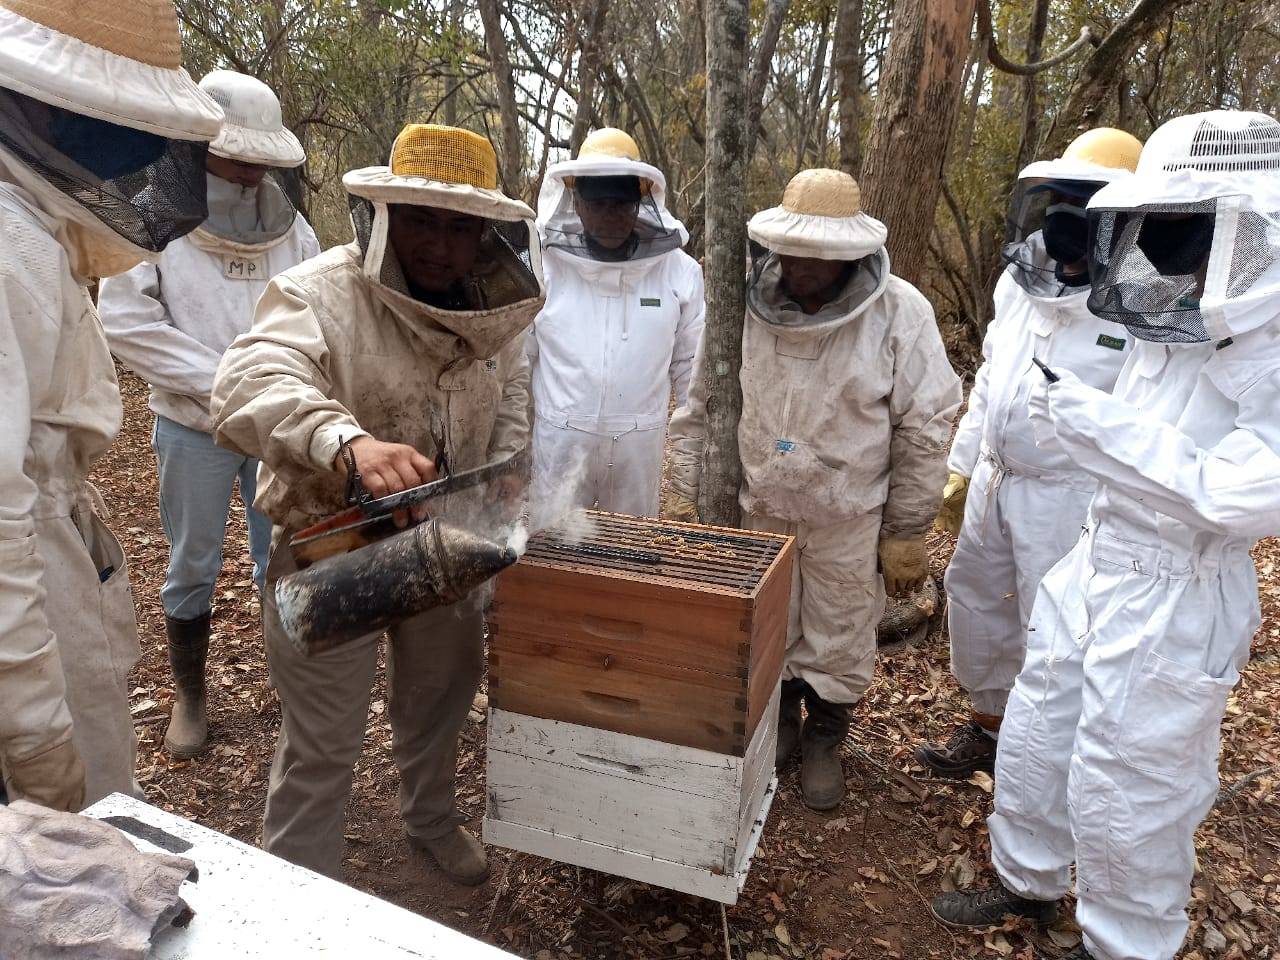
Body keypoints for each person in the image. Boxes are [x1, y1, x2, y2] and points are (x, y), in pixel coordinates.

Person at [931, 109, 1280, 960]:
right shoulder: (1169, 310)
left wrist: (1101, 432)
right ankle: (1027, 884)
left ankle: (1121, 944)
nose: (1158, 247)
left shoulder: (1268, 343)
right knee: (1043, 731)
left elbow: (1251, 491)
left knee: (1134, 783)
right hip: (1096, 556)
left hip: (1178, 591)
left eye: (1178, 227)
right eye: (1149, 226)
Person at [212, 123, 542, 883]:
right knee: (323, 742)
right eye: (420, 219)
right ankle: (293, 898)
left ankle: (430, 822)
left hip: (447, 543)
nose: (439, 244)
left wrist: (505, 478)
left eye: (459, 227)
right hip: (333, 548)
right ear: (382, 216)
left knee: (439, 705)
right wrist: (346, 442)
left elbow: (512, 409)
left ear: (486, 237)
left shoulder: (496, 316)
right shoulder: (317, 291)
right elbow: (245, 383)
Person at [667, 169, 961, 810]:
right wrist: (696, 492)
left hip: (849, 513)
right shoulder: (739, 307)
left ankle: (826, 734)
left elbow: (926, 425)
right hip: (760, 506)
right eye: (794, 253)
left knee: (840, 628)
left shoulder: (901, 313)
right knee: (767, 625)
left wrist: (908, 530)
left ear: (850, 255)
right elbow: (703, 402)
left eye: (819, 257)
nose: (802, 268)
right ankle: (776, 725)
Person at [0, 0, 222, 810]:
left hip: (54, 546)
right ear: (39, 101)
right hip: (33, 586)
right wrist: (33, 733)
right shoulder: (9, 242)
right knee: (69, 861)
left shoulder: (26, 222)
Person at [98, 70, 319, 760]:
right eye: (236, 155)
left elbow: (317, 310)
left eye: (259, 159)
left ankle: (292, 690)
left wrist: (280, 387)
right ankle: (191, 697)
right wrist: (226, 381)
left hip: (275, 424)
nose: (251, 172)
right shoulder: (153, 218)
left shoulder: (293, 229)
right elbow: (124, 319)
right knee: (192, 560)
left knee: (277, 559)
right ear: (197, 146)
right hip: (191, 428)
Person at [917, 128, 1142, 779]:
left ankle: (1047, 758)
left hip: (1070, 491)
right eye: (1064, 200)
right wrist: (960, 468)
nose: (1069, 220)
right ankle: (989, 727)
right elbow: (992, 375)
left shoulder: (1141, 306)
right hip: (994, 474)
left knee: (1059, 626)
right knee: (976, 599)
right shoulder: (1022, 278)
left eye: (1089, 204)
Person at [527, 127, 703, 522]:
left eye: (621, 204)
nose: (610, 215)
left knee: (630, 560)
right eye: (599, 203)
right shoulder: (545, 268)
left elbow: (693, 373)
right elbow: (519, 367)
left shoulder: (679, 272)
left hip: (639, 451)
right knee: (554, 560)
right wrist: (512, 454)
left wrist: (686, 473)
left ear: (640, 203)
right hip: (559, 444)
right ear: (577, 201)